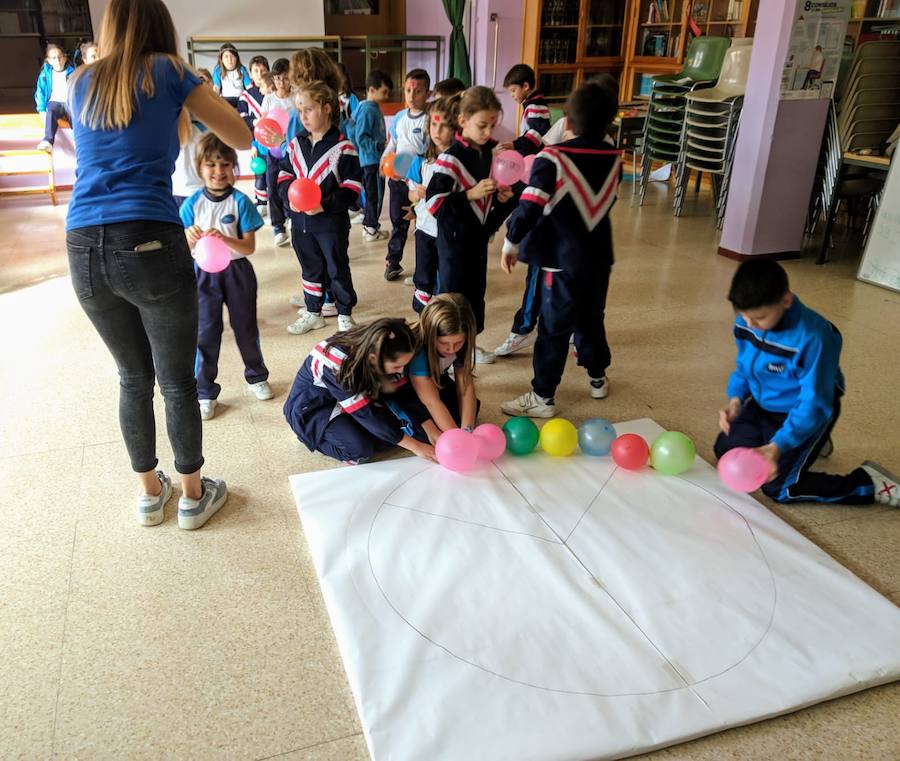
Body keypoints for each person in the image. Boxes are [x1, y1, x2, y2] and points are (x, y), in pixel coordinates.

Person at [65, 0, 251, 529]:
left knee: (131, 376)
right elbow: (237, 136)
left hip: (81, 242)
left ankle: (150, 494)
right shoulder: (169, 72)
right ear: (160, 27)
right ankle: (193, 496)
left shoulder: (80, 81)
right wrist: (193, 93)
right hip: (148, 235)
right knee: (175, 381)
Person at [714, 259, 898, 506]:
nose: (750, 325)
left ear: (786, 301)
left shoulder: (814, 337)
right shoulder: (747, 321)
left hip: (804, 409)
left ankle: (867, 482)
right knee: (725, 450)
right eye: (743, 316)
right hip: (762, 404)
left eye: (758, 318)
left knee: (779, 488)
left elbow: (814, 402)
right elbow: (745, 366)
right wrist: (736, 399)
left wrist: (778, 446)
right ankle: (808, 445)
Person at [499, 77, 621, 417]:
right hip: (598, 259)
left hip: (559, 260)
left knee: (553, 327)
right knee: (591, 319)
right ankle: (597, 377)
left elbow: (530, 205)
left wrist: (512, 240)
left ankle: (543, 397)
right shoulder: (614, 158)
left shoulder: (551, 158)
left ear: (565, 121)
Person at [179, 133, 270, 422]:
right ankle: (205, 391)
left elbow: (250, 246)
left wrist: (227, 240)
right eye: (211, 165)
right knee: (206, 332)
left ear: (233, 167)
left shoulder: (241, 201)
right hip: (203, 276)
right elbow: (181, 247)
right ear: (199, 167)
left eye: (225, 165)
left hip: (238, 273)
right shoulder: (191, 204)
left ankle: (256, 376)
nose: (218, 172)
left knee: (245, 328)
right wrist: (188, 237)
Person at [425, 85, 516, 364]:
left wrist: (504, 198)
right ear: (462, 121)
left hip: (477, 238)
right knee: (453, 294)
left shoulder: (491, 153)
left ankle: (469, 344)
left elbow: (496, 203)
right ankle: (442, 347)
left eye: (492, 125)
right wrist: (469, 194)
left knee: (476, 294)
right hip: (453, 241)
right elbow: (434, 203)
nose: (488, 132)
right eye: (481, 125)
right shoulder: (449, 158)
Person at [284, 319, 438, 464]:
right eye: (397, 367)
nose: (402, 370)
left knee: (401, 431)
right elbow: (366, 414)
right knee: (360, 449)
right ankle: (309, 435)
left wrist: (429, 427)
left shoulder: (385, 348)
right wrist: (416, 447)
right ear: (373, 359)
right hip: (316, 408)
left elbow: (405, 392)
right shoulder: (337, 363)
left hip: (352, 399)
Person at [278, 81, 362, 335]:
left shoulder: (343, 147)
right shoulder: (296, 144)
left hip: (330, 222)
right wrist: (288, 199)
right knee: (309, 266)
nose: (303, 116)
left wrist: (323, 205)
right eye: (300, 110)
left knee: (336, 266)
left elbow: (353, 187)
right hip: (300, 221)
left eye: (309, 109)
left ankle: (345, 313)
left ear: (326, 108)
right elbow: (283, 175)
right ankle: (313, 311)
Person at [493, 63, 554, 360]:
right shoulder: (532, 105)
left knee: (538, 273)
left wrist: (514, 145)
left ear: (527, 86)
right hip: (531, 179)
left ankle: (524, 329)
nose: (514, 96)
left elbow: (536, 137)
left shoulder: (537, 107)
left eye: (515, 90)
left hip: (532, 178)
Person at [406, 95, 458, 313]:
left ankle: (444, 314)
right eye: (433, 124)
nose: (437, 131)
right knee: (424, 274)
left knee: (447, 276)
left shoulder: (459, 160)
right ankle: (423, 311)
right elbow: (410, 195)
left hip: (448, 233)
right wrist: (415, 194)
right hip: (424, 229)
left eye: (444, 125)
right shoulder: (421, 160)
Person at [382, 68, 431, 281]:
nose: (411, 95)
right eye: (408, 90)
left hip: (418, 182)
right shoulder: (400, 117)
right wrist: (385, 161)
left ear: (427, 94)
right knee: (398, 221)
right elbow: (392, 143)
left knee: (422, 223)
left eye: (418, 91)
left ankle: (425, 268)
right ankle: (393, 262)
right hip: (397, 180)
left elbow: (429, 150)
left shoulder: (430, 119)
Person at [409, 293, 479, 433]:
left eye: (458, 342)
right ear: (430, 334)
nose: (452, 349)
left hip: (436, 380)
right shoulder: (417, 349)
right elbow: (431, 401)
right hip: (408, 391)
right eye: (443, 343)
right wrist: (456, 438)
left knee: (470, 409)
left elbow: (465, 387)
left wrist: (467, 430)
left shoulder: (461, 343)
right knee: (430, 430)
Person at [354, 70, 393, 243]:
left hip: (373, 160)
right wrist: (379, 146)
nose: (386, 96)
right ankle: (370, 228)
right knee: (374, 195)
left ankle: (371, 225)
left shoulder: (370, 107)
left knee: (372, 194)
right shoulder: (367, 110)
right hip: (371, 161)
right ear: (372, 89)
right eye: (383, 92)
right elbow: (361, 137)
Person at [262, 58, 294, 248]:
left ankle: (292, 217)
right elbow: (264, 123)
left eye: (285, 78)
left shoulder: (296, 97)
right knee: (272, 187)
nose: (282, 82)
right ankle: (278, 227)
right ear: (273, 79)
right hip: (273, 151)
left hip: (291, 150)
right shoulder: (269, 99)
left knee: (290, 186)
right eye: (278, 78)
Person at [238, 55, 270, 213]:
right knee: (260, 173)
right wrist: (255, 122)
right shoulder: (246, 96)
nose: (260, 74)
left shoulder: (273, 93)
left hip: (276, 142)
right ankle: (262, 202)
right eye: (256, 71)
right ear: (250, 74)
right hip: (256, 142)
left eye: (263, 70)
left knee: (276, 173)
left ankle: (279, 203)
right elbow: (242, 118)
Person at [497, 64, 551, 157]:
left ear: (525, 86)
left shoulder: (535, 107)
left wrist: (515, 144)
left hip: (535, 156)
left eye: (513, 90)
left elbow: (536, 135)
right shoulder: (532, 104)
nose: (511, 95)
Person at [34, 43, 74, 151]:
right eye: (54, 58)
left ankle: (79, 138)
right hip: (54, 102)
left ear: (65, 58)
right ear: (49, 60)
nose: (58, 60)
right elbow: (40, 92)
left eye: (60, 57)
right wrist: (41, 110)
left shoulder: (72, 73)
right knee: (50, 110)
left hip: (69, 102)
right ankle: (47, 140)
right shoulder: (44, 75)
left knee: (75, 114)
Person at [212, 42, 251, 108]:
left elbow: (249, 87)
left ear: (236, 58)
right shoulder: (218, 71)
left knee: (244, 105)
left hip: (240, 98)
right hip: (225, 99)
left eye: (232, 56)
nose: (229, 60)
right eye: (226, 57)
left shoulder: (242, 70)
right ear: (221, 59)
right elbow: (216, 88)